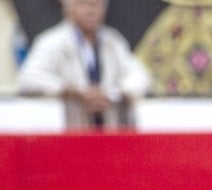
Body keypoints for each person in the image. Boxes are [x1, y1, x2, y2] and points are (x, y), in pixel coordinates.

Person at [15, 0, 150, 130]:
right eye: (83, 3)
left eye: (95, 4)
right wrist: (71, 91)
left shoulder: (113, 42)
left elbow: (140, 78)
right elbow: (29, 78)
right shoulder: (52, 41)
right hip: (69, 133)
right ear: (68, 7)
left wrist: (111, 93)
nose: (90, 10)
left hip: (110, 132)